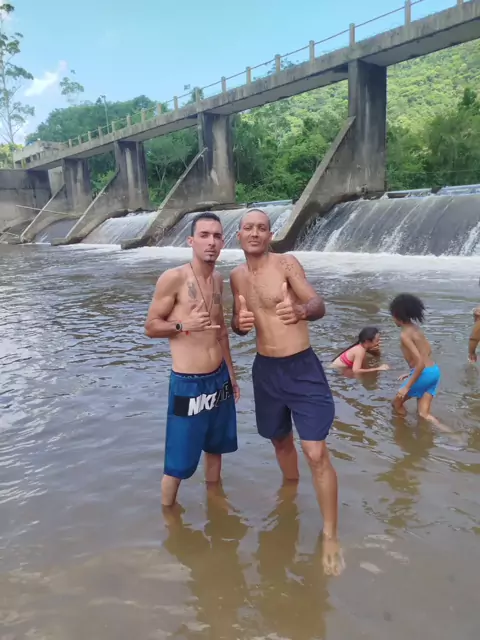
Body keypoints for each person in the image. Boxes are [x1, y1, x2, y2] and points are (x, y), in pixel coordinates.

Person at [230, 208, 343, 575]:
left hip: (301, 367)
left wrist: (300, 310)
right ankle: (290, 489)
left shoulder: (286, 264)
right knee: (279, 441)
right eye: (248, 228)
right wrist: (239, 324)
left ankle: (330, 534)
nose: (255, 233)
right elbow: (239, 323)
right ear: (239, 235)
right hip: (266, 371)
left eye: (262, 228)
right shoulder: (235, 277)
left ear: (269, 235)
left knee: (315, 451)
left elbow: (318, 304)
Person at [145, 212, 239, 507]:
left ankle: (215, 504)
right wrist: (183, 325)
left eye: (217, 236)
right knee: (178, 462)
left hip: (219, 378)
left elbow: (221, 332)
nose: (211, 242)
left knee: (216, 447)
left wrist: (232, 375)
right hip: (188, 383)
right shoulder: (173, 278)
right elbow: (150, 327)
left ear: (223, 242)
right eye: (204, 235)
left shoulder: (218, 280)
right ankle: (169, 518)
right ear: (191, 241)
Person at [390, 293, 443, 427]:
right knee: (423, 414)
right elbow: (428, 350)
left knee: (396, 403)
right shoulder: (415, 328)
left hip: (423, 373)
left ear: (397, 315)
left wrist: (407, 387)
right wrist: (412, 372)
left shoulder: (404, 335)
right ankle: (452, 434)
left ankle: (404, 430)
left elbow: (420, 362)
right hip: (433, 371)